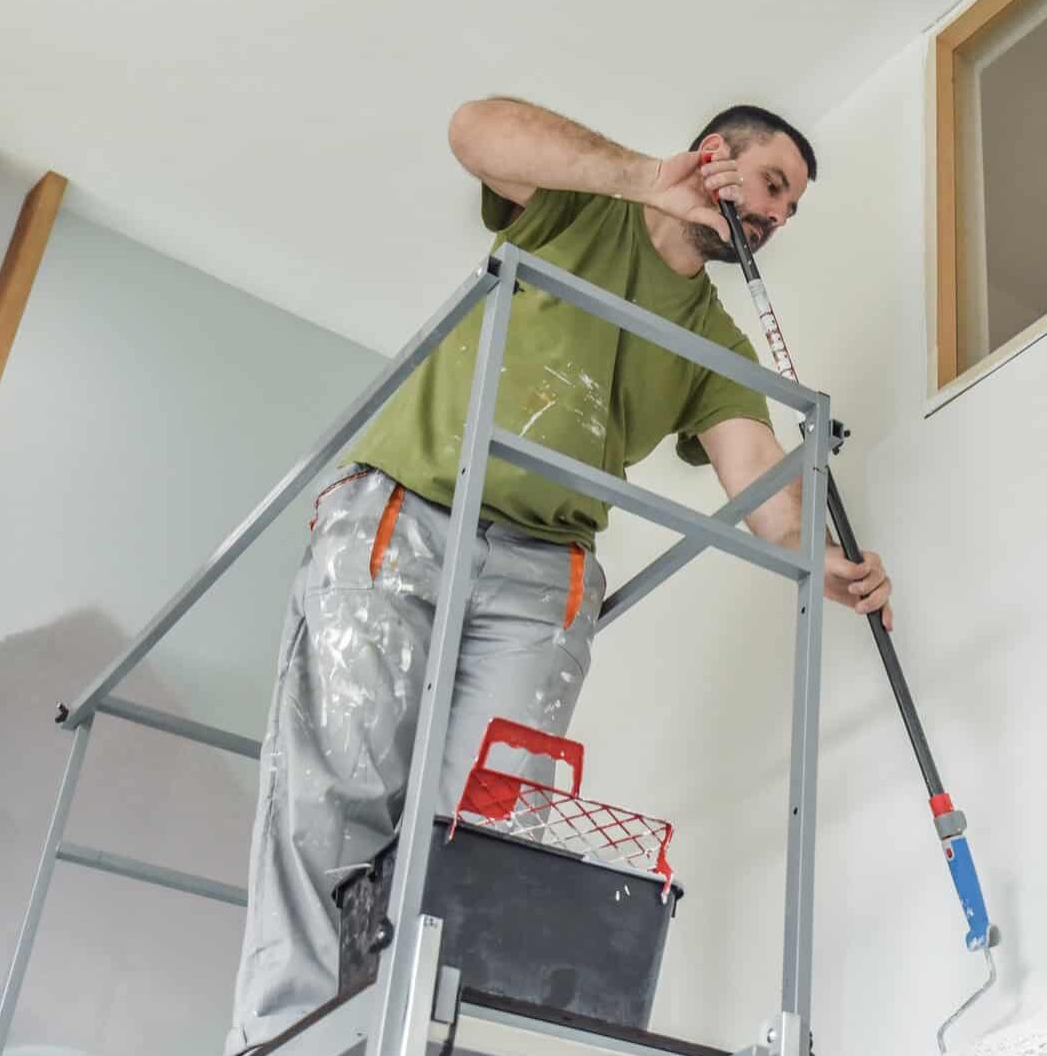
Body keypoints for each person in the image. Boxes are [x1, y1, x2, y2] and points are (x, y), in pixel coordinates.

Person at [223, 97, 892, 1052]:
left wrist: (829, 565)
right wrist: (637, 176)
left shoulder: (718, 347)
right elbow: (472, 129)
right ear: (715, 159)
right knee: (340, 792)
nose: (778, 219)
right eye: (774, 187)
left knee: (482, 836)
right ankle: (283, 1035)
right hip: (409, 514)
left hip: (544, 580)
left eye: (790, 213)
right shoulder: (582, 207)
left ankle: (413, 1038)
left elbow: (768, 499)